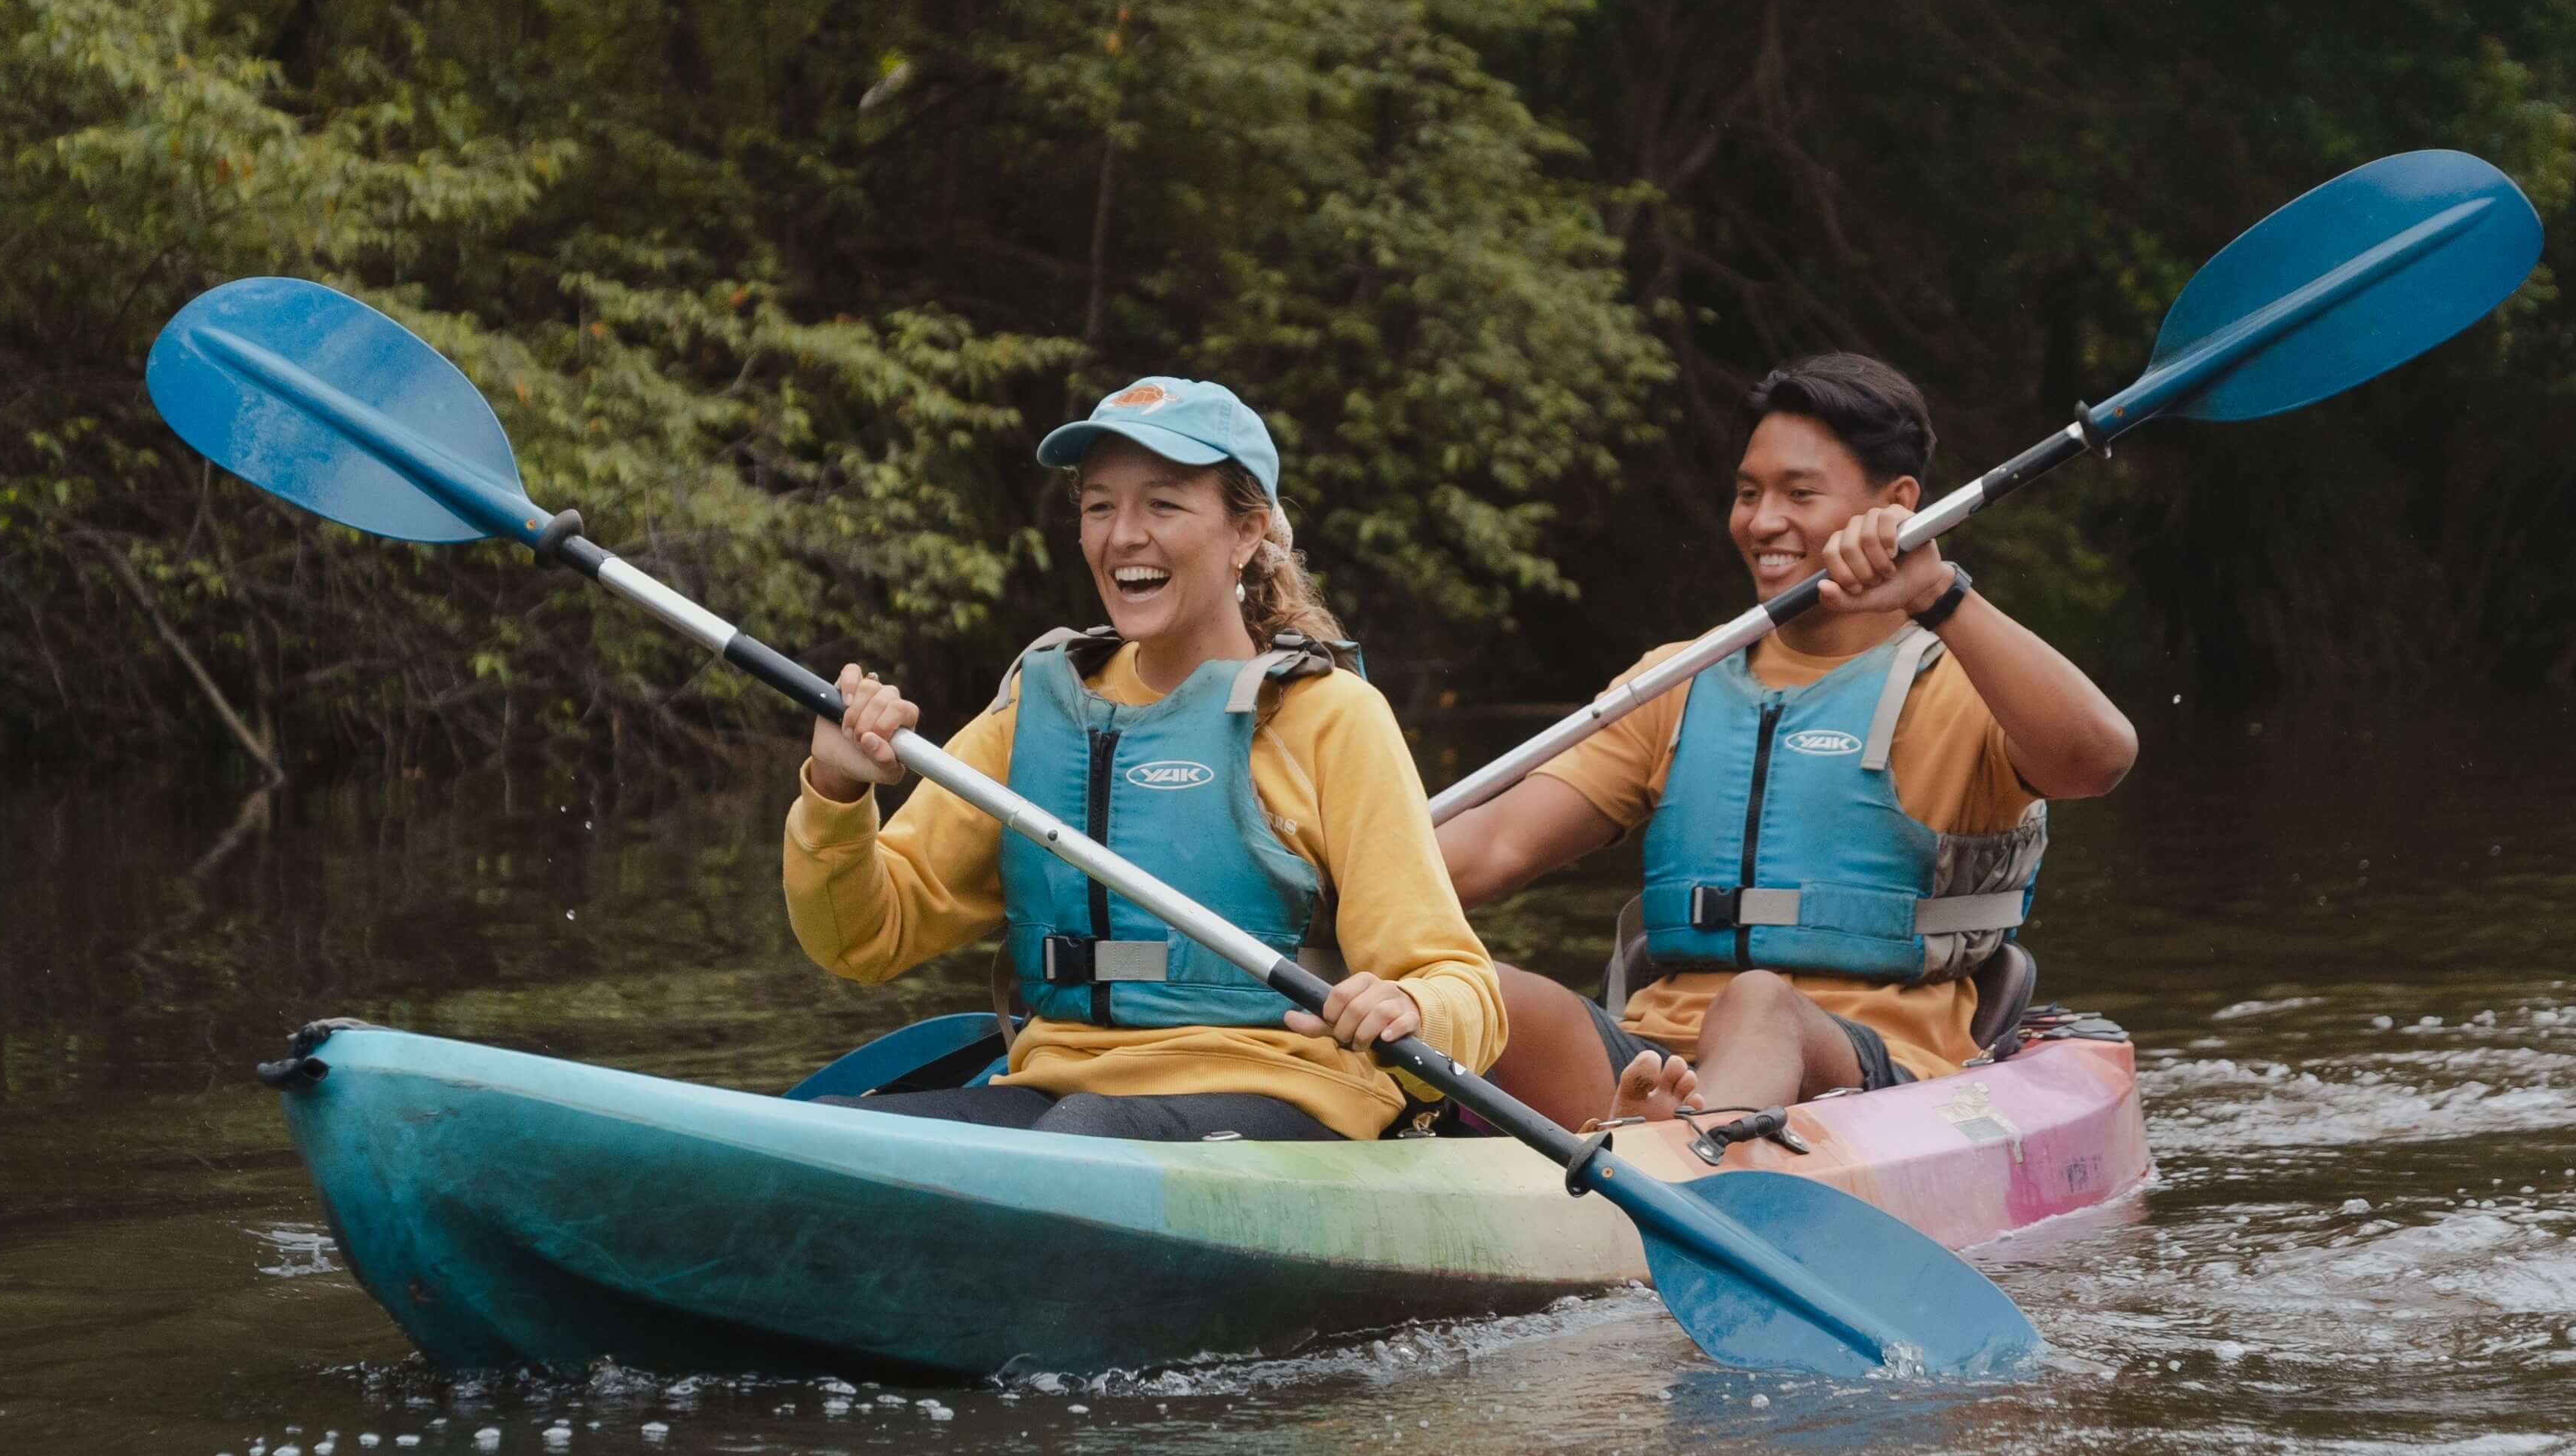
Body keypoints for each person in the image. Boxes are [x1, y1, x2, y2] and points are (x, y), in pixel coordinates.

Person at [787, 376, 1511, 1140]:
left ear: (1245, 532)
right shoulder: (1032, 710)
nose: (1123, 533)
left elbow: (1463, 986)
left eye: (1162, 504)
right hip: (1059, 1088)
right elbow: (864, 938)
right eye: (1100, 505)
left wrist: (1413, 1007)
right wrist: (836, 790)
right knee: (833, 1131)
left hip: (1281, 1089)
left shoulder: (1329, 717)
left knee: (1081, 1132)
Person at [1443, 352, 2137, 1131]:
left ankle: (1691, 1153)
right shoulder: (1678, 678)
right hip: (1651, 1051)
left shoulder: (1967, 672)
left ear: (1898, 504)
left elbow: (2097, 759)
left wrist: (1939, 593)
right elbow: (1494, 842)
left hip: (1872, 1069)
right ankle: (1655, 1135)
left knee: (1759, 1001)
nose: (1761, 520)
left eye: (1799, 493)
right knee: (1469, 988)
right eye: (1747, 493)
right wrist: (1323, 890)